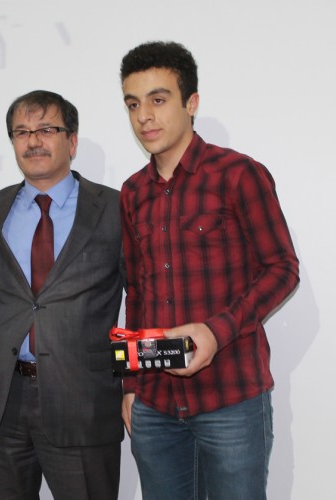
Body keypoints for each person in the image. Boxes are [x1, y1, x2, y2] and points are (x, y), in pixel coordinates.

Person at [119, 41, 300, 499]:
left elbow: (282, 269)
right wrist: (131, 384)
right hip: (154, 404)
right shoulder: (132, 192)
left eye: (158, 100)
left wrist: (216, 332)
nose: (144, 116)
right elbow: (136, 291)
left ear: (191, 103)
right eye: (133, 104)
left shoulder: (237, 174)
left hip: (231, 399)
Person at [0, 90, 125, 500]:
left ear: (71, 141)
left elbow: (143, 299)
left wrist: (135, 386)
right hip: (4, 399)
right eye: (21, 132)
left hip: (84, 399)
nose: (33, 141)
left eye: (46, 129)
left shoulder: (114, 208)